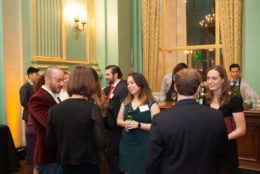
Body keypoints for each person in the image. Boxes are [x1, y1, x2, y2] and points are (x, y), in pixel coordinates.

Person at [145, 68, 228, 174]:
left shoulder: (161, 119)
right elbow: (223, 152)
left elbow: (152, 160)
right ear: (198, 88)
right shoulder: (216, 116)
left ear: (175, 87)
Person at [45, 65, 106, 174]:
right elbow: (101, 143)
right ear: (90, 84)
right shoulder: (93, 109)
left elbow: (50, 144)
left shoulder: (54, 110)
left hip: (64, 165)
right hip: (88, 166)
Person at [117, 72, 160, 174]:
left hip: (144, 144)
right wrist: (125, 124)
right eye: (128, 84)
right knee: (127, 169)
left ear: (140, 84)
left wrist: (138, 125)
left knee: (141, 170)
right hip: (127, 142)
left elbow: (157, 127)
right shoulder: (126, 101)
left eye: (132, 83)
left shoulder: (151, 104)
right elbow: (118, 120)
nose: (129, 86)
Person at [206, 65, 246, 174]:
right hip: (208, 152)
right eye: (208, 78)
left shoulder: (234, 100)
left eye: (214, 78)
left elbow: (241, 129)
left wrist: (221, 138)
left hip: (227, 151)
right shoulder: (205, 100)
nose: (210, 81)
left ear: (223, 79)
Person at [28, 66, 64, 174]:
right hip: (47, 155)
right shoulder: (37, 98)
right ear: (47, 79)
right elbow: (48, 122)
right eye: (59, 80)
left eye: (63, 80)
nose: (62, 83)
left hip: (56, 153)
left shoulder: (53, 95)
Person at [103, 65, 128, 174]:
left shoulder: (122, 88)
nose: (106, 77)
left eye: (108, 74)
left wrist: (108, 107)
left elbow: (123, 108)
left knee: (113, 156)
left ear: (116, 74)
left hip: (117, 128)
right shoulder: (112, 88)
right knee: (111, 155)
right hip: (111, 127)